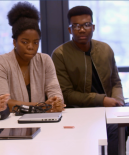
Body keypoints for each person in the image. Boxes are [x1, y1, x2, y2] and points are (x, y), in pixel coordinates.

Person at [51, 6, 125, 155]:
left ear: (93, 27)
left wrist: (117, 101)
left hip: (108, 109)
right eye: (76, 26)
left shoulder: (105, 49)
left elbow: (115, 81)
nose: (82, 29)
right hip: (77, 111)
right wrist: (102, 100)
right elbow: (66, 94)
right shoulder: (60, 54)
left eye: (86, 25)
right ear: (70, 30)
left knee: (118, 128)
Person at [0, 1, 65, 112]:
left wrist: (57, 101)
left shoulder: (45, 60)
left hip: (43, 124)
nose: (31, 47)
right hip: (11, 126)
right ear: (15, 42)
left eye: (35, 42)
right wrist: (41, 106)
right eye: (25, 42)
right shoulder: (1, 62)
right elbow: (2, 103)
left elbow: (54, 91)